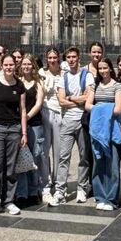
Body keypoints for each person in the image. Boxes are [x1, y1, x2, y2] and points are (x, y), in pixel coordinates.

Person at [0, 53, 27, 217]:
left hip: (14, 129)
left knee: (11, 168)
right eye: (6, 65)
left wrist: (24, 132)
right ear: (2, 65)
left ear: (15, 66)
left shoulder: (20, 85)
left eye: (11, 65)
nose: (8, 67)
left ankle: (8, 201)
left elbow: (23, 110)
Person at [48, 46, 94, 206]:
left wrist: (70, 98)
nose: (71, 60)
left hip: (82, 121)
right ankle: (60, 191)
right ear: (66, 59)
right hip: (67, 121)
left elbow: (88, 97)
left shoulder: (87, 75)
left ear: (79, 57)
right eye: (69, 57)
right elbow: (61, 101)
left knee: (84, 157)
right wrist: (77, 100)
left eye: (74, 57)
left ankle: (82, 188)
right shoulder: (64, 77)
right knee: (63, 157)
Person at [85, 58, 121, 211]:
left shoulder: (117, 86)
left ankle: (111, 199)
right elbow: (87, 105)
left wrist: (100, 109)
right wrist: (106, 109)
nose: (102, 71)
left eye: (105, 68)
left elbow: (118, 109)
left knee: (113, 165)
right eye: (100, 68)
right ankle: (100, 196)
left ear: (110, 68)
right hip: (97, 129)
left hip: (112, 128)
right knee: (98, 163)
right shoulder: (94, 85)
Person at [16, 54, 45, 204]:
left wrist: (26, 117)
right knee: (21, 158)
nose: (26, 66)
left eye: (29, 64)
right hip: (20, 125)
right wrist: (21, 120)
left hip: (34, 124)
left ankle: (34, 191)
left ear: (33, 66)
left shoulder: (38, 83)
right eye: (24, 64)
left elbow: (39, 104)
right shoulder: (17, 82)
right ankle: (22, 192)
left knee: (35, 156)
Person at [40, 47, 63, 205]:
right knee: (44, 150)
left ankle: (58, 182)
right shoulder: (41, 73)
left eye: (55, 57)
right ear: (46, 59)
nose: (52, 60)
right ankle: (46, 182)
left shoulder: (64, 73)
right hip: (45, 112)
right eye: (50, 58)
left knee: (59, 151)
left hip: (60, 112)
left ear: (58, 58)